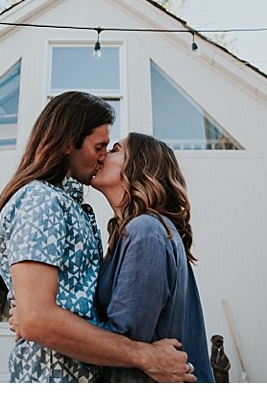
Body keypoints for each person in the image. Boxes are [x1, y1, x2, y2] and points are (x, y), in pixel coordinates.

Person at [0, 91, 195, 383]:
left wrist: (35, 319)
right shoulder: (41, 201)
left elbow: (57, 315)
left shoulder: (134, 227)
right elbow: (39, 318)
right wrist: (35, 319)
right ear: (68, 143)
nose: (103, 156)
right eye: (100, 146)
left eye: (111, 149)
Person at [90, 132, 215, 382]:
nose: (103, 155)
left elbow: (125, 339)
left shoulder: (146, 232)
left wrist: (48, 324)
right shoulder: (140, 231)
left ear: (138, 166)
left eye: (115, 150)